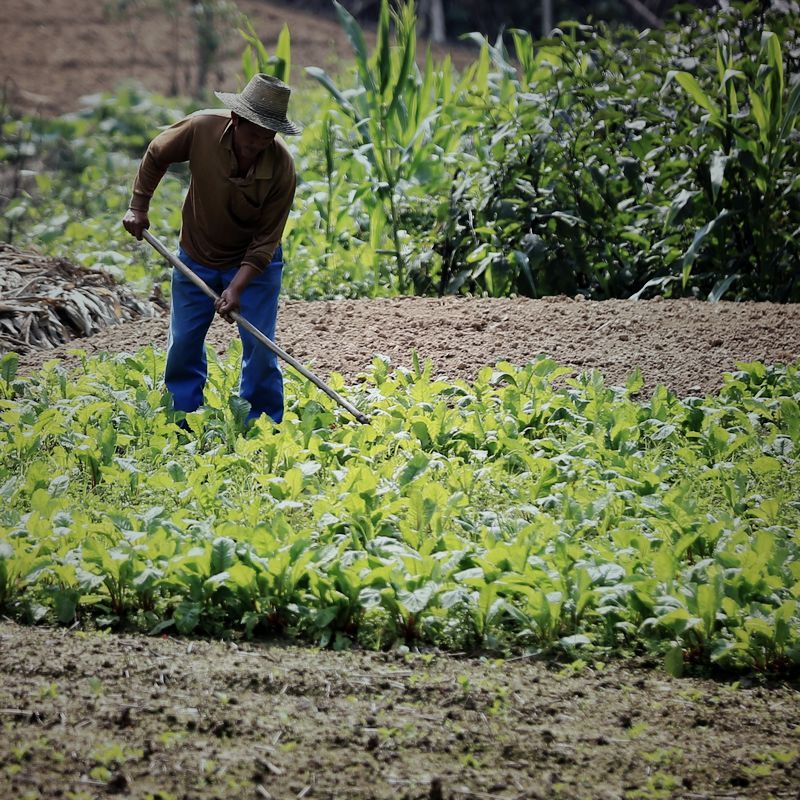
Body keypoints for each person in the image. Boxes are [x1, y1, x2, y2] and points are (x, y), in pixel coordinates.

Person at [122, 73, 300, 427]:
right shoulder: (201, 128)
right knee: (184, 343)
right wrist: (138, 207)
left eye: (268, 137)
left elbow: (267, 240)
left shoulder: (281, 167)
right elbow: (157, 153)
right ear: (236, 120)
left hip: (253, 267)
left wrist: (237, 287)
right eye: (252, 137)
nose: (258, 145)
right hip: (197, 255)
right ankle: (182, 420)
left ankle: (262, 422)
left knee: (260, 348)